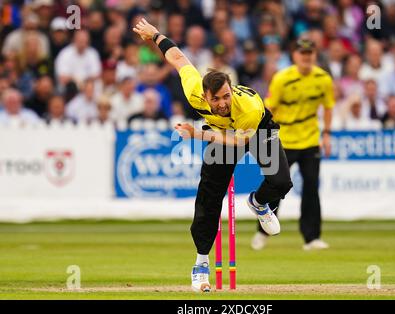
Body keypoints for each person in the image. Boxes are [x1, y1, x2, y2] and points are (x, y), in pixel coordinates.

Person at [133, 18, 292, 293]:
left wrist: (197, 135)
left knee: (280, 182)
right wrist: (156, 35)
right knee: (209, 196)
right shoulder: (194, 91)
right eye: (216, 99)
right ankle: (201, 263)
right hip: (220, 134)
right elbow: (179, 58)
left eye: (226, 96)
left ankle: (258, 202)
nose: (222, 103)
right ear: (205, 96)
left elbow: (237, 141)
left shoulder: (248, 108)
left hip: (256, 129)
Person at [251, 39, 335, 252]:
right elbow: (269, 108)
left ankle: (311, 238)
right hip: (284, 140)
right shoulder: (282, 79)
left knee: (311, 188)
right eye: (302, 53)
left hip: (309, 141)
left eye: (310, 52)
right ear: (294, 55)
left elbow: (328, 107)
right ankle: (263, 232)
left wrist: (326, 134)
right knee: (277, 186)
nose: (306, 57)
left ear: (315, 55)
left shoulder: (323, 79)